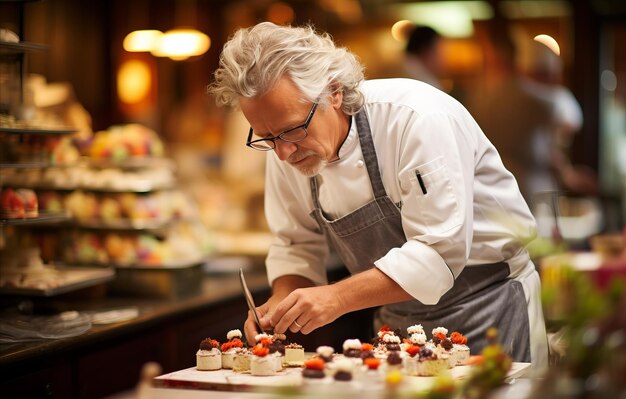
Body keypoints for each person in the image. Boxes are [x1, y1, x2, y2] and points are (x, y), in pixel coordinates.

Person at [208, 22, 548, 370]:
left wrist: (336, 297)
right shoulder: (287, 148)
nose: (283, 153)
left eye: (292, 129)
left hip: (490, 307)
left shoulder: (416, 119)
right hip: (397, 323)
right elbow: (296, 243)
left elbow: (437, 253)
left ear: (334, 91)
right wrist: (282, 303)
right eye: (266, 137)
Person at [467, 32, 597, 211]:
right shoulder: (535, 97)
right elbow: (572, 119)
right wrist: (569, 174)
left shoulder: (481, 98)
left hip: (490, 190)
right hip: (531, 191)